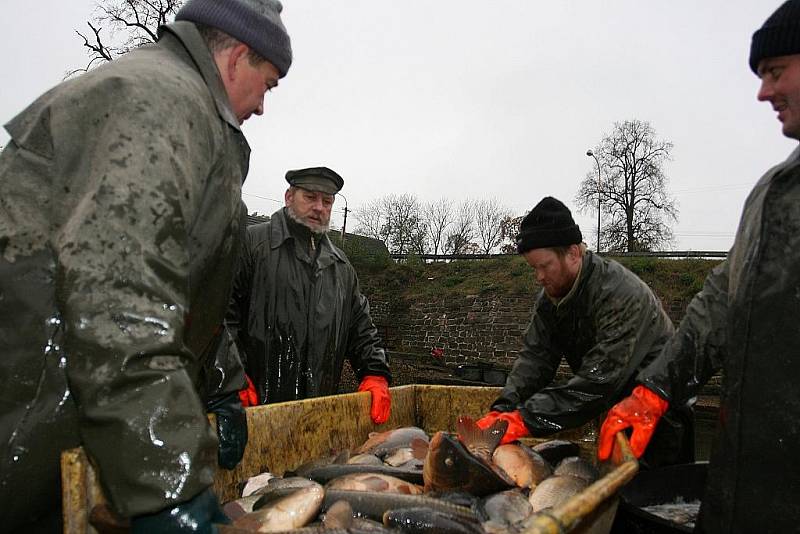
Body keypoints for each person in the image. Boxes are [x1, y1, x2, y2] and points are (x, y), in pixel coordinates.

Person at [0, 0, 292, 531]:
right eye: (268, 84)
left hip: (80, 408)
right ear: (238, 57)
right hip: (29, 411)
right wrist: (170, 490)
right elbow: (118, 299)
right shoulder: (153, 103)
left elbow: (179, 282)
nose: (264, 105)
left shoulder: (192, 120)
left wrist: (222, 380)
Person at [598, 2, 800, 531]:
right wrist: (655, 390)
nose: (762, 92)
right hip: (748, 484)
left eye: (776, 71)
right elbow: (718, 302)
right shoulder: (770, 192)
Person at [476, 197, 694, 468]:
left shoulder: (620, 294)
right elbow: (536, 358)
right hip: (613, 409)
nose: (539, 277)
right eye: (534, 269)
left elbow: (597, 382)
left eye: (545, 266)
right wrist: (504, 408)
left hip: (659, 414)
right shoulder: (550, 300)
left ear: (573, 254)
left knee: (655, 499)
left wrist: (525, 419)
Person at [229, 167, 392, 423]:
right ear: (288, 196)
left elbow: (362, 329)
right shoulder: (250, 245)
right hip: (251, 410)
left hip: (317, 416)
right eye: (310, 197)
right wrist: (231, 374)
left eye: (327, 201)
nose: (319, 207)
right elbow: (220, 317)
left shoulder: (341, 267)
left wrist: (375, 373)